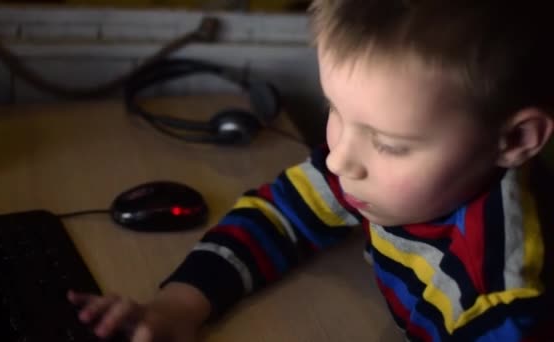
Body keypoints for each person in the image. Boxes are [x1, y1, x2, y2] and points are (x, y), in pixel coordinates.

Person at [68, 1, 554, 341]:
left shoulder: (504, 301)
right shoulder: (382, 178)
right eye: (336, 111)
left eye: (388, 143)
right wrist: (179, 306)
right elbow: (281, 215)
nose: (339, 160)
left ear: (514, 141)